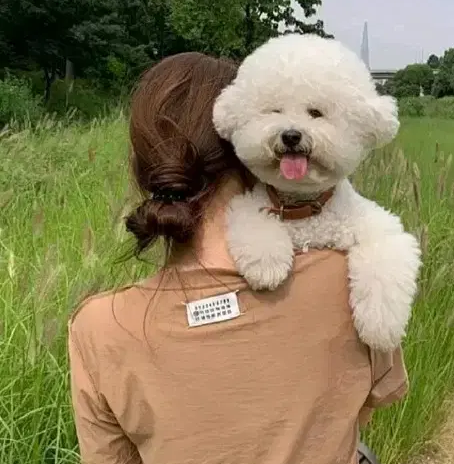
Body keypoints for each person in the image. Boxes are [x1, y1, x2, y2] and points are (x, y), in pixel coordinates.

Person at [68, 52, 409, 464]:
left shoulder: (99, 328)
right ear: (244, 150)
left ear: (145, 171)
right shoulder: (357, 278)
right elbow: (358, 412)